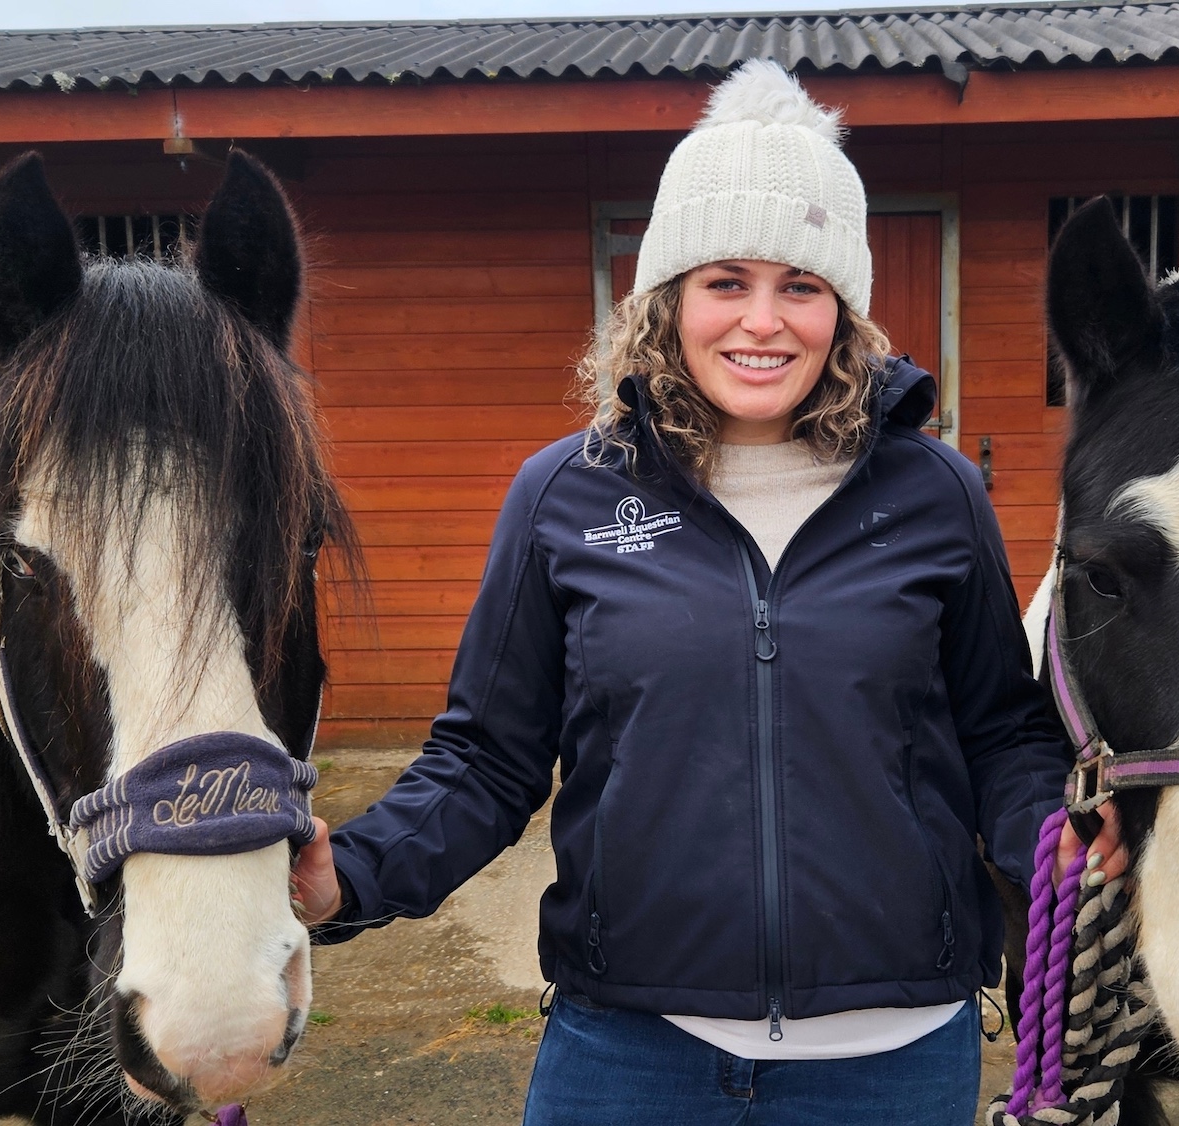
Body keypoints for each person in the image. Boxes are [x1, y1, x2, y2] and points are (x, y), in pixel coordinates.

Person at [290, 59, 1121, 1125]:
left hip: (891, 1057)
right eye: (725, 280)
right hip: (629, 1051)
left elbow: (1001, 734)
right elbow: (487, 760)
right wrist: (347, 875)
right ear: (668, 298)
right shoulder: (565, 494)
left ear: (843, 309)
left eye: (800, 286)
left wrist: (1051, 839)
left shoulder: (934, 493)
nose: (763, 323)